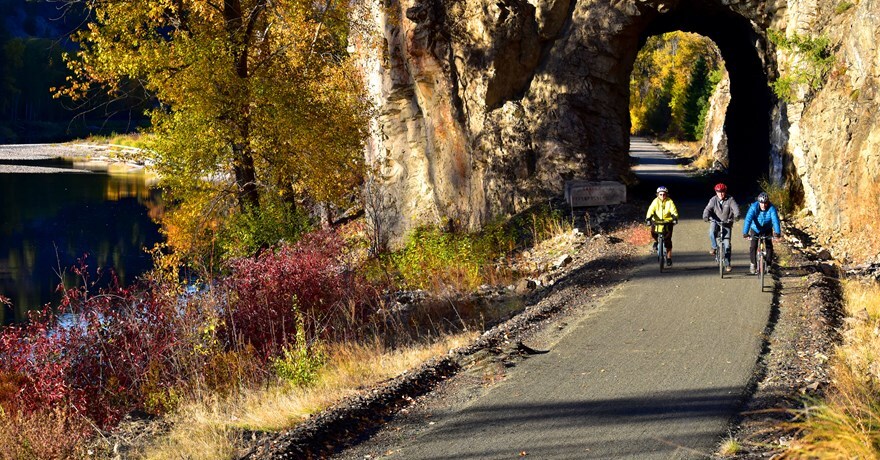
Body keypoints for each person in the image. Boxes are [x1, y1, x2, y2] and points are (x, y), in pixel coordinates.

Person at [702, 183, 740, 273]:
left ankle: (727, 264)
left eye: (722, 192)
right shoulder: (713, 200)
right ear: (716, 192)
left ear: (725, 192)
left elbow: (736, 208)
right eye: (719, 192)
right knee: (711, 232)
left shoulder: (730, 199)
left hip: (727, 223)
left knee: (727, 245)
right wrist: (705, 216)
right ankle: (714, 247)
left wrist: (737, 216)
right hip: (715, 221)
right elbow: (707, 209)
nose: (721, 194)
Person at [742, 192, 782, 274]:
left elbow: (775, 220)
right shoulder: (753, 207)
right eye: (761, 203)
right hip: (755, 228)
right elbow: (748, 220)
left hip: (767, 228)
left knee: (769, 245)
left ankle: (769, 265)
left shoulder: (772, 208)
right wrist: (745, 233)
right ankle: (753, 264)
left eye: (765, 203)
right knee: (753, 245)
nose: (763, 205)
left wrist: (777, 233)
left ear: (768, 202)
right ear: (759, 202)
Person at [645, 186, 679, 266]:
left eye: (664, 194)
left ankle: (669, 257)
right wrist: (648, 218)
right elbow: (650, 210)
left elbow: (673, 210)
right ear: (657, 194)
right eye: (660, 194)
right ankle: (657, 242)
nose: (662, 196)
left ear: (667, 195)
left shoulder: (669, 201)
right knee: (653, 233)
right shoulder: (655, 202)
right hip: (656, 221)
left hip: (667, 222)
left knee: (668, 240)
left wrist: (674, 218)